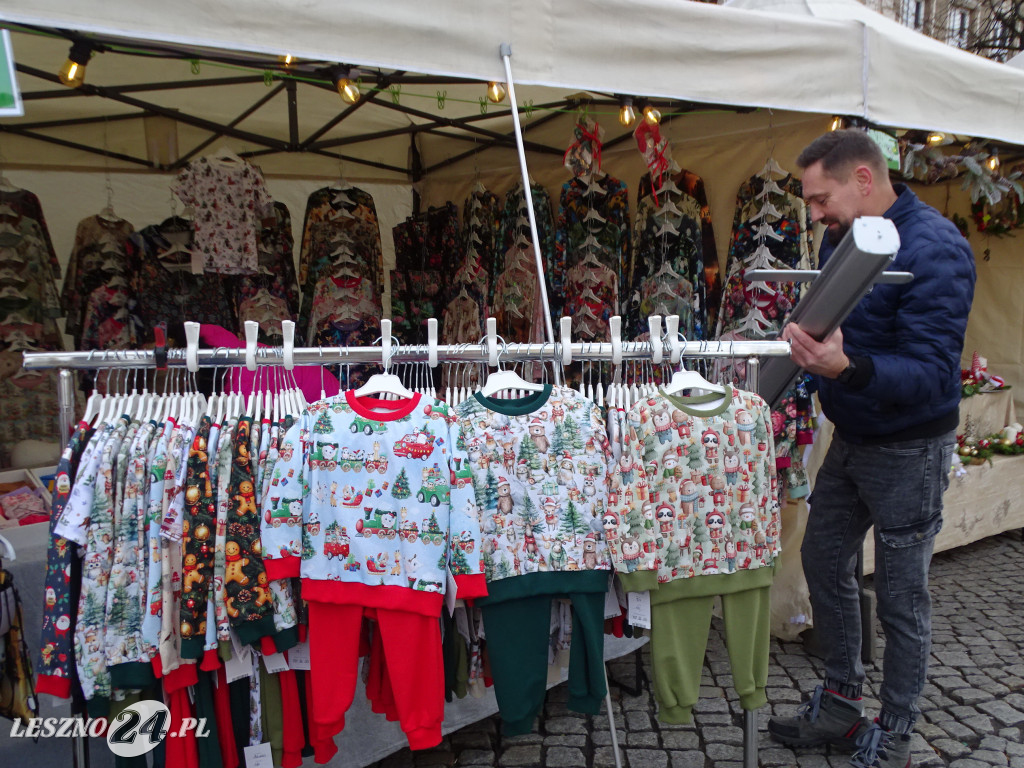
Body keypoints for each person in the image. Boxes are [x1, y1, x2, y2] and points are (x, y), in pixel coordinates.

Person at [766, 129, 976, 768]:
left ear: (863, 178)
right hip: (853, 435)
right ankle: (839, 703)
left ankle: (898, 729)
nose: (816, 214)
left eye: (821, 198)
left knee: (901, 595)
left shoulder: (937, 249)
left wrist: (845, 368)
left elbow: (934, 372)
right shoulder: (842, 236)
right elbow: (838, 321)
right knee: (824, 560)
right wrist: (808, 335)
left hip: (911, 450)